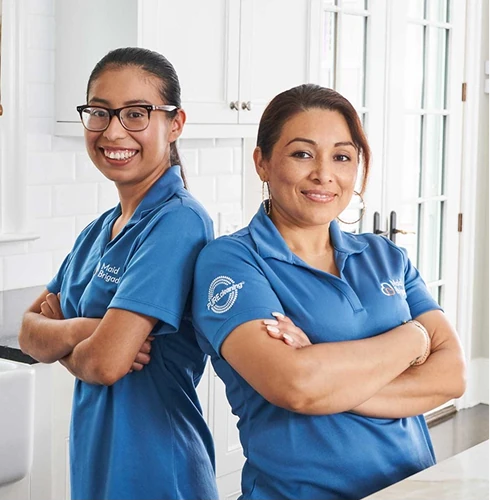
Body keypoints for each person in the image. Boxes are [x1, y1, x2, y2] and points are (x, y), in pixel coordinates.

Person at [192, 83, 466, 500]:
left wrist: (330, 382)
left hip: (411, 488)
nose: (324, 174)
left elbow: (452, 376)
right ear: (262, 162)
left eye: (342, 156)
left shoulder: (385, 255)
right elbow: (296, 386)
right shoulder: (230, 261)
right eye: (302, 154)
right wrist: (415, 339)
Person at [18, 47, 219, 501]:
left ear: (176, 124)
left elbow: (104, 364)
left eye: (135, 114)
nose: (112, 131)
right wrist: (88, 329)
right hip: (96, 466)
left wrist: (65, 339)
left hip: (157, 472)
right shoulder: (98, 230)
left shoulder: (178, 221)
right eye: (100, 112)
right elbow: (29, 334)